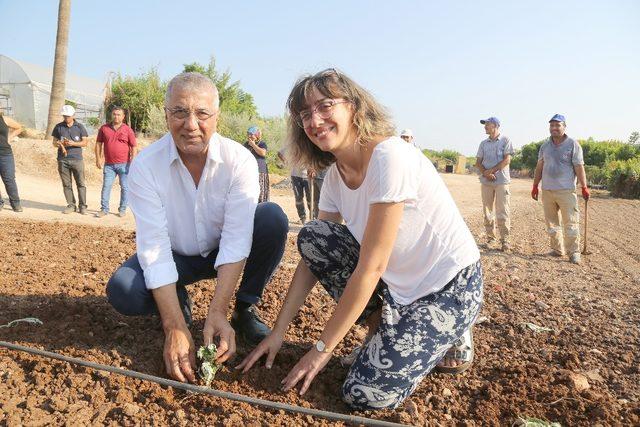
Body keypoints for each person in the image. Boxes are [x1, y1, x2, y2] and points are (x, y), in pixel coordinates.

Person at [238, 69, 482, 410]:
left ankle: (451, 332)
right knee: (313, 236)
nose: (314, 120)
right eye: (305, 114)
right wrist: (278, 331)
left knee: (364, 395)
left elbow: (371, 267)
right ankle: (389, 332)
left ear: (354, 108)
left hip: (448, 286)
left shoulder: (390, 156)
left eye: (325, 106)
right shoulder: (336, 175)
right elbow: (314, 256)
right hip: (397, 288)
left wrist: (321, 350)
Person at [106, 72, 289, 384]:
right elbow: (154, 247)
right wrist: (173, 326)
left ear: (216, 117)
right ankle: (177, 303)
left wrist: (217, 311)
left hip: (221, 253)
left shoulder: (238, 161)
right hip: (178, 257)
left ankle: (245, 309)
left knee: (271, 218)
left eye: (202, 113)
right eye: (179, 112)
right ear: (166, 115)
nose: (191, 124)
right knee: (124, 289)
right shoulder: (146, 166)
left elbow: (235, 240)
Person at [531, 114, 589, 264]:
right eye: (552, 125)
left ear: (564, 127)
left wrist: (584, 186)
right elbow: (539, 167)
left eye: (558, 125)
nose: (554, 128)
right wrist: (535, 185)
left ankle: (574, 252)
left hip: (566, 191)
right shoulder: (545, 146)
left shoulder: (573, 144)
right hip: (548, 191)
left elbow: (579, 167)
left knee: (570, 222)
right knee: (551, 223)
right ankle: (558, 249)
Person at [475, 117, 515, 252]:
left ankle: (505, 241)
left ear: (496, 126)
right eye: (484, 124)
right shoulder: (483, 144)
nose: (485, 126)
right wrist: (485, 173)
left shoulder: (505, 140)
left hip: (501, 181)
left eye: (487, 124)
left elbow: (507, 160)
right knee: (487, 212)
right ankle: (491, 239)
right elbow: (478, 162)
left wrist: (491, 171)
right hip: (486, 182)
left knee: (503, 212)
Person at [95, 106, 138, 218]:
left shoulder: (128, 129)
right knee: (106, 186)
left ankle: (122, 209)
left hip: (124, 164)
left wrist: (133, 161)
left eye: (119, 114)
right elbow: (98, 144)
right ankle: (104, 209)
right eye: (114, 114)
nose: (116, 116)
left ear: (123, 117)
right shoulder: (104, 128)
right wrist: (98, 158)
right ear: (111, 115)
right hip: (109, 165)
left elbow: (134, 146)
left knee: (125, 187)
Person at [51, 105, 89, 214]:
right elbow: (53, 142)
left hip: (77, 159)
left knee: (81, 183)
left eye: (68, 116)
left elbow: (85, 142)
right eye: (64, 116)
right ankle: (71, 205)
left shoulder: (80, 127)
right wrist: (58, 143)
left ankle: (83, 206)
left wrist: (73, 143)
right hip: (63, 160)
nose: (66, 118)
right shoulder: (58, 127)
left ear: (73, 115)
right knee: (66, 184)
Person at [278, 148, 311, 224]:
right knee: (298, 198)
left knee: (310, 198)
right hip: (295, 175)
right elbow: (280, 152)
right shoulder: (293, 145)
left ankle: (313, 217)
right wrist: (286, 161)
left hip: (307, 176)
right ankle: (302, 217)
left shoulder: (308, 145)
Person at [0, 111, 23, 212]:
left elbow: (19, 127)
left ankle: (16, 203)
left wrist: (10, 137)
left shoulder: (5, 120)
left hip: (5, 154)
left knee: (9, 179)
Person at [243, 126, 269, 202]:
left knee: (261, 195)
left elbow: (263, 153)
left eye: (251, 134)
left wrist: (253, 145)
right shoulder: (246, 144)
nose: (249, 136)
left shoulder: (262, 143)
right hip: (249, 172)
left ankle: (261, 211)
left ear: (256, 135)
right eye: (248, 134)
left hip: (260, 172)